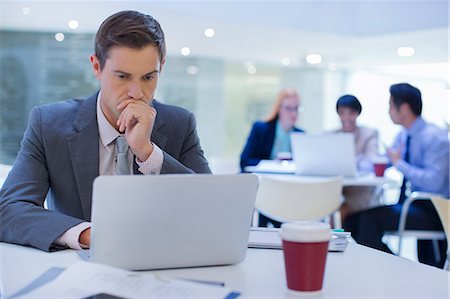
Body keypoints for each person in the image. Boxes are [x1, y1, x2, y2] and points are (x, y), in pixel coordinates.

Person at [0, 10, 211, 252]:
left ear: (161, 67)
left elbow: (211, 209)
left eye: (148, 77)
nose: (136, 92)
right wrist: (91, 235)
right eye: (122, 76)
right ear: (97, 67)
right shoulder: (48, 124)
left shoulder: (180, 124)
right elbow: (8, 210)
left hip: (165, 268)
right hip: (79, 272)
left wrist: (148, 152)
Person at [344, 83, 449, 268]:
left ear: (405, 108)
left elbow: (435, 183)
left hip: (434, 210)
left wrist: (400, 164)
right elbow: (385, 162)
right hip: (412, 204)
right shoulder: (403, 136)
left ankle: (398, 269)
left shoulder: (435, 137)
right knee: (352, 221)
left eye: (391, 106)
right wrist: (351, 161)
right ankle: (397, 266)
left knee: (369, 221)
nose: (389, 112)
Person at [240, 89, 304, 227]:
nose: (293, 113)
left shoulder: (301, 135)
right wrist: (273, 164)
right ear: (279, 109)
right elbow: (244, 161)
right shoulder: (261, 129)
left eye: (296, 109)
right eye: (288, 108)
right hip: (264, 189)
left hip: (289, 191)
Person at [333, 95, 380, 220]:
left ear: (358, 113)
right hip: (336, 189)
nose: (346, 117)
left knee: (337, 215)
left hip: (360, 191)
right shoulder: (332, 135)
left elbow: (371, 161)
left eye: (351, 113)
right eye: (342, 113)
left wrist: (349, 162)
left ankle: (334, 239)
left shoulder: (369, 134)